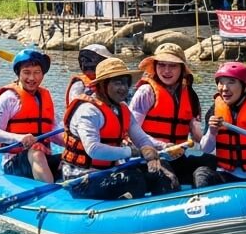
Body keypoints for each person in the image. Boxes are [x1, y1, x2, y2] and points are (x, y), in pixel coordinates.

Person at [60, 58, 175, 200]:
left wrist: (149, 149)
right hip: (80, 177)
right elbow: (93, 150)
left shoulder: (122, 108)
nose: (124, 88)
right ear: (102, 85)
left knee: (162, 172)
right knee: (134, 180)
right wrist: (133, 152)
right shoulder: (88, 111)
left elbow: (140, 137)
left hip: (109, 170)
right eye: (118, 83)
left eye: (126, 83)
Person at [130, 44, 208, 190]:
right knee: (169, 180)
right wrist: (162, 145)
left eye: (173, 66)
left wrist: (214, 135)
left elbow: (197, 136)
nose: (166, 71)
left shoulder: (190, 95)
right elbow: (132, 132)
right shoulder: (146, 92)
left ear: (182, 69)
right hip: (149, 157)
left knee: (209, 165)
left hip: (178, 158)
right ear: (155, 67)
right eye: (162, 65)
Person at [0, 49, 57, 183]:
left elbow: (54, 131)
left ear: (42, 74)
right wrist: (19, 138)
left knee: (71, 159)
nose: (32, 78)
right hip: (14, 162)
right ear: (18, 73)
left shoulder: (45, 97)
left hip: (44, 158)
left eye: (37, 72)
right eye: (26, 72)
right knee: (36, 152)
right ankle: (50, 192)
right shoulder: (8, 98)